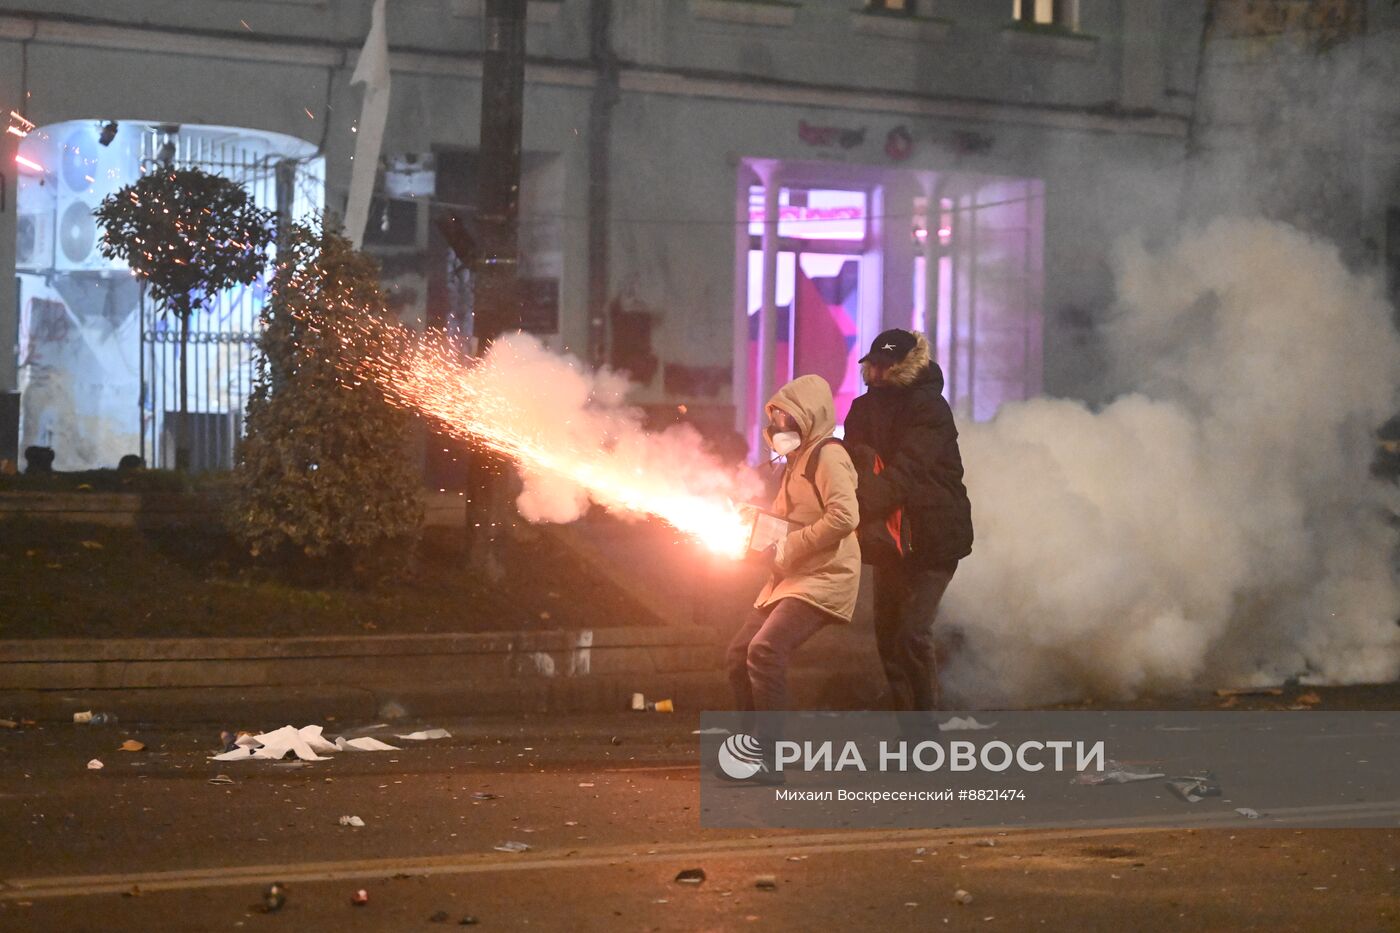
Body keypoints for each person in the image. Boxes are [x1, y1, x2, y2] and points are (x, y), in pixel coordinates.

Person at [844, 328, 973, 712]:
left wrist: (861, 505)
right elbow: (851, 466)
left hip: (933, 539)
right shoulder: (862, 409)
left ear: (906, 365)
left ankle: (925, 736)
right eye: (876, 363)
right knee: (889, 638)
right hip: (889, 540)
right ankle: (910, 735)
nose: (879, 371)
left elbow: (907, 470)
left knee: (912, 633)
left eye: (888, 364)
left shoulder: (929, 408)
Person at [726, 375, 861, 724]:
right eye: (777, 418)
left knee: (765, 651)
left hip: (825, 575)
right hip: (794, 575)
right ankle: (752, 750)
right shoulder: (798, 459)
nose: (779, 426)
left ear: (809, 416)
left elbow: (845, 516)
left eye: (787, 418)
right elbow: (795, 517)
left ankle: (769, 756)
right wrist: (755, 521)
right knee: (740, 654)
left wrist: (790, 544)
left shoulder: (829, 455)